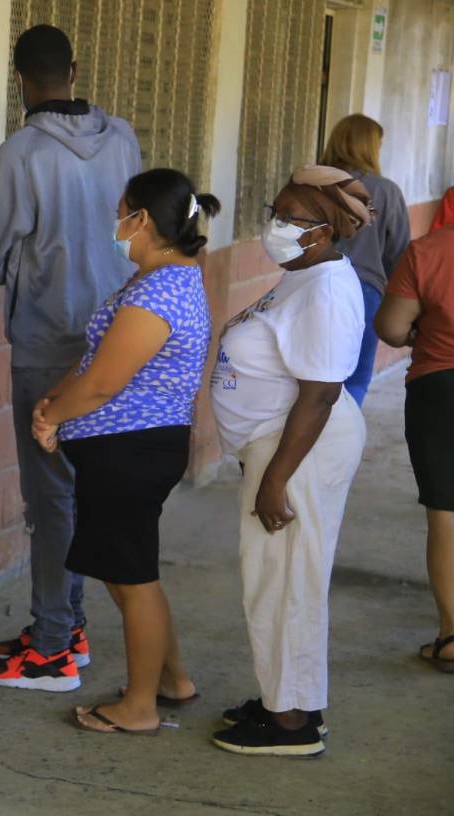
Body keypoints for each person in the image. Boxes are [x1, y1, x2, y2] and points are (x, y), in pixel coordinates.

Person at [0, 24, 142, 691]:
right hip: (119, 341)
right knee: (82, 491)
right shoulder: (121, 138)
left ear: (19, 81)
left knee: (52, 499)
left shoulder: (20, 153)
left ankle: (50, 649)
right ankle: (68, 623)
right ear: (75, 67)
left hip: (47, 345)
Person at [29, 169, 217, 732]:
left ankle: (139, 709)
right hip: (130, 449)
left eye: (122, 212)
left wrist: (53, 419)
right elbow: (94, 365)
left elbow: (103, 383)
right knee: (132, 573)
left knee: (133, 581)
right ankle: (170, 679)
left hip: (130, 454)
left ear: (142, 219)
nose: (116, 224)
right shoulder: (163, 279)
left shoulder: (158, 291)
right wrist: (55, 400)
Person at [209, 166, 371, 756]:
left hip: (299, 449)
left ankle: (290, 726)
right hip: (283, 445)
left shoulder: (326, 287)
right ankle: (292, 700)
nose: (274, 226)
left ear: (324, 232)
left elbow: (322, 392)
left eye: (290, 219)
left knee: (284, 583)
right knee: (285, 579)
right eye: (274, 212)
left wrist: (274, 478)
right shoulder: (303, 272)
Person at [375, 225, 454, 673]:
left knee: (445, 510)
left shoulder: (428, 251)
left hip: (441, 387)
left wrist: (416, 334)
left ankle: (452, 634)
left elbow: (391, 326)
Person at [320, 114, 410, 405]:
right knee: (355, 378)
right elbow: (399, 255)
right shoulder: (385, 191)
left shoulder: (312, 185)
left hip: (313, 286)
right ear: (368, 147)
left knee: (314, 375)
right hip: (364, 291)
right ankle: (340, 444)